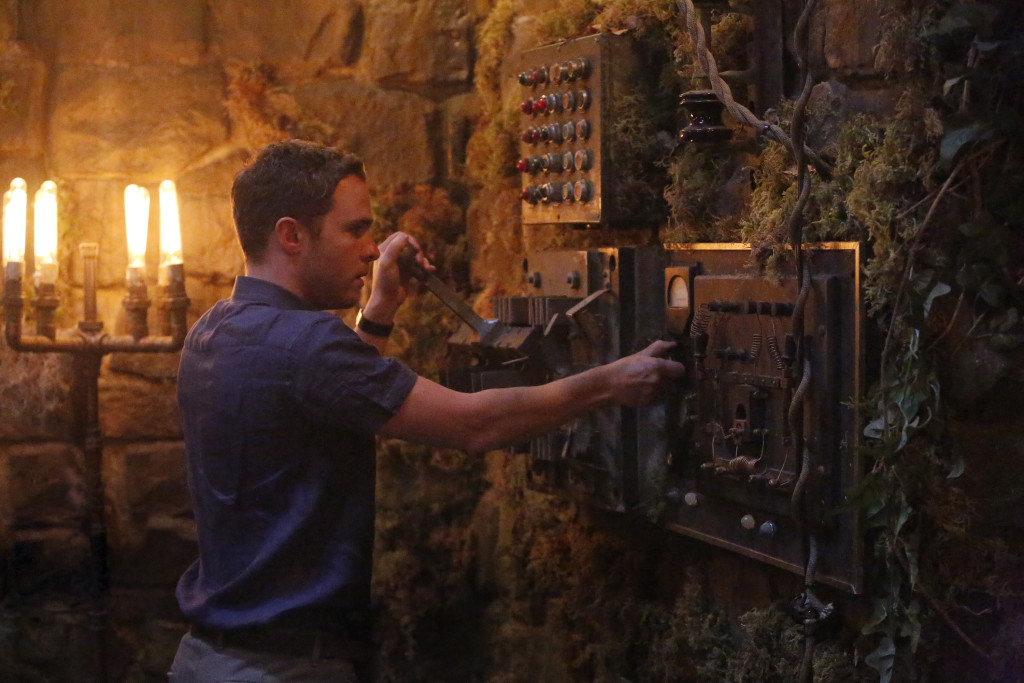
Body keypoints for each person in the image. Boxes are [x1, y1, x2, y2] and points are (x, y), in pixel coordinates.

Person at [168, 139, 685, 682]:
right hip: (280, 668)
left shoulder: (214, 330)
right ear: (291, 235)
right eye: (354, 230)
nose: (371, 250)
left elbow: (334, 393)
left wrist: (380, 310)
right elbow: (474, 424)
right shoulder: (308, 344)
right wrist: (609, 382)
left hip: (207, 658)